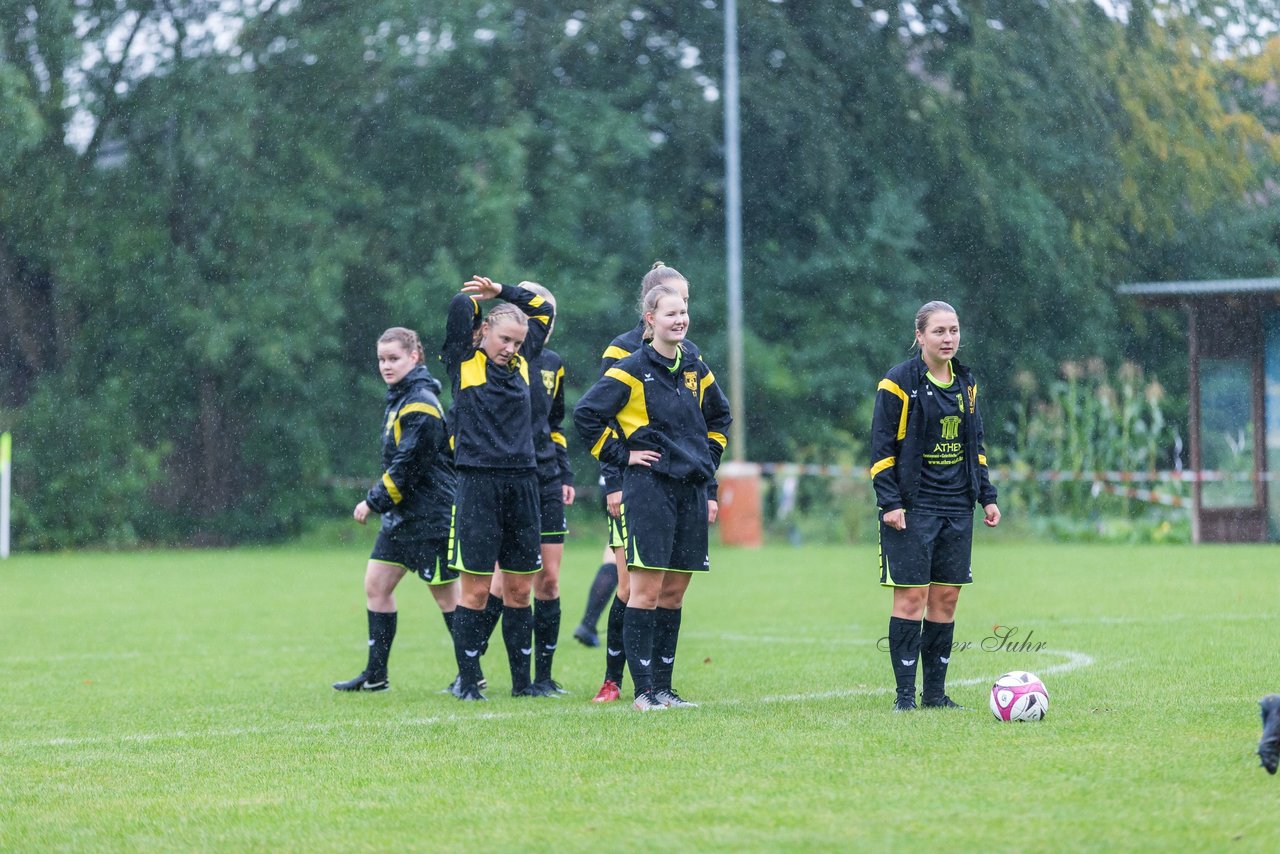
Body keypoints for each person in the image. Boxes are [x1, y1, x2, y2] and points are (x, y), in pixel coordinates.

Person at [574, 282, 731, 710]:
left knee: (674, 594)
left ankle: (664, 688)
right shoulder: (630, 368)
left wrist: (707, 459)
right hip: (649, 492)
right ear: (650, 321)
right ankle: (643, 692)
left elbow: (720, 416)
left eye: (683, 313)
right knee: (643, 592)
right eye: (670, 314)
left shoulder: (696, 366)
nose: (679, 320)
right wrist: (621, 455)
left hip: (691, 492)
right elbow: (586, 415)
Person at [869, 300, 1000, 712]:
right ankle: (904, 696)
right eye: (939, 331)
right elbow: (880, 449)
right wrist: (890, 502)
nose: (948, 338)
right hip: (912, 508)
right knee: (911, 599)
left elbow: (974, 445)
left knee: (945, 600)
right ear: (920, 336)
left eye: (954, 330)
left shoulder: (966, 383)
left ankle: (936, 695)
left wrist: (987, 496)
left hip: (957, 507)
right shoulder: (898, 383)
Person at [441, 275, 555, 700]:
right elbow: (458, 303)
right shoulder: (463, 362)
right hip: (477, 484)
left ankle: (522, 685)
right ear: (484, 332)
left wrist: (506, 291)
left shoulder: (525, 362)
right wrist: (485, 299)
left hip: (523, 483)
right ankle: (468, 682)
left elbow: (543, 309)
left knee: (520, 588)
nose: (511, 348)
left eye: (517, 341)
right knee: (473, 588)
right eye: (504, 338)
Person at [333, 327, 459, 693]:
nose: (386, 366)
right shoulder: (399, 397)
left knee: (446, 598)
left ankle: (470, 672)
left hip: (431, 516)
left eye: (394, 359)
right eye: (381, 360)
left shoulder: (420, 401)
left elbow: (408, 466)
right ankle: (376, 674)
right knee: (376, 585)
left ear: (414, 357)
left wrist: (372, 501)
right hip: (402, 518)